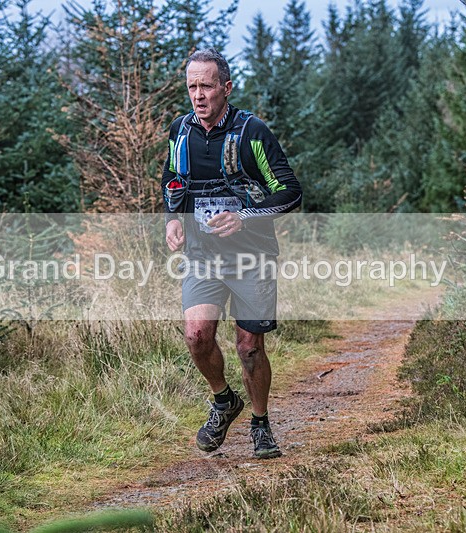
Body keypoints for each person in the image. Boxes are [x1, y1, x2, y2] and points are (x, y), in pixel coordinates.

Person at [161, 48, 302, 459]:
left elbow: (290, 192)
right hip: (203, 257)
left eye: (206, 85)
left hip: (251, 257)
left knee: (248, 347)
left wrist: (244, 216)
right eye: (192, 86)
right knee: (196, 335)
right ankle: (224, 401)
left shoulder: (252, 132)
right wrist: (173, 217)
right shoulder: (180, 131)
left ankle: (260, 424)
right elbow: (173, 178)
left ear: (226, 87)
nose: (198, 95)